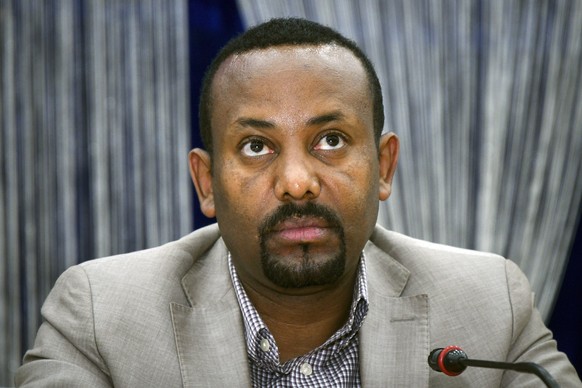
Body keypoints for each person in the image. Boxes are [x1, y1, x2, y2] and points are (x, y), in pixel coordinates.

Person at [15, 17, 581, 387]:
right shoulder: (99, 317)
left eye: (330, 140)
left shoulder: (489, 306)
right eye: (256, 146)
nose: (297, 181)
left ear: (383, 166)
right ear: (206, 183)